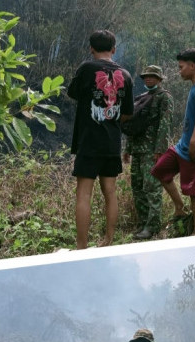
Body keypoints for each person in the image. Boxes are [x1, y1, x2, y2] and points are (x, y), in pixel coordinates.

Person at [67, 30, 134, 249]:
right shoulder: (125, 75)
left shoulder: (87, 69)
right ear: (114, 49)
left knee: (84, 194)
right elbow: (126, 113)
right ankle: (108, 241)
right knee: (110, 192)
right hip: (112, 142)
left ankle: (82, 246)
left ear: (91, 49)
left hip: (88, 140)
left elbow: (74, 93)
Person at [151, 48, 195, 236]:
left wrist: (194, 142)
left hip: (194, 149)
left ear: (192, 66)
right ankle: (179, 207)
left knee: (194, 191)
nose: (179, 71)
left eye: (181, 67)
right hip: (182, 146)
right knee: (160, 170)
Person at [122, 65, 174, 240]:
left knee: (152, 188)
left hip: (152, 151)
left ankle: (152, 227)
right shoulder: (140, 98)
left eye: (152, 76)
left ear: (159, 79)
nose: (148, 79)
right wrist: (127, 149)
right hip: (137, 150)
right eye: (146, 77)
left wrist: (160, 150)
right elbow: (133, 126)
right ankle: (143, 223)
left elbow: (165, 125)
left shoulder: (164, 97)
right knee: (137, 187)